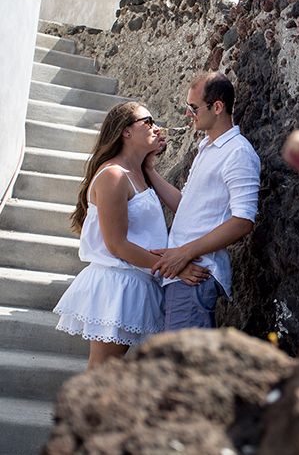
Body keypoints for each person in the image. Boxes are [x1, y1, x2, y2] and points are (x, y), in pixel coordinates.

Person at [54, 102, 211, 368]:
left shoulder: (137, 173)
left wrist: (149, 169)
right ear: (126, 132)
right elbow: (117, 245)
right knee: (103, 368)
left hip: (136, 280)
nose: (156, 127)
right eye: (147, 121)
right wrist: (174, 267)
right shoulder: (113, 176)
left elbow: (184, 209)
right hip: (117, 283)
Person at [146, 72, 260, 330]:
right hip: (181, 274)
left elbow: (243, 221)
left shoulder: (238, 152)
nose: (189, 114)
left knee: (182, 368)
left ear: (217, 107)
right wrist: (150, 171)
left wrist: (184, 253)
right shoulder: (206, 147)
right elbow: (186, 207)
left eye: (193, 107)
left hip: (195, 275)